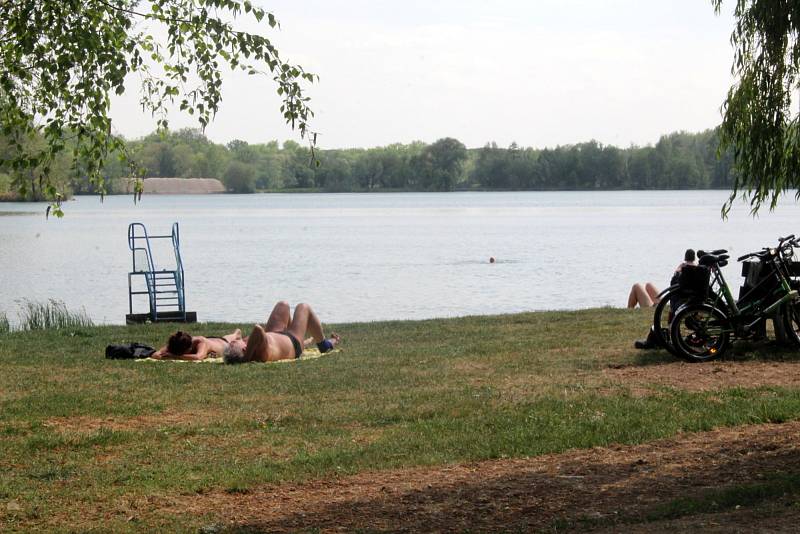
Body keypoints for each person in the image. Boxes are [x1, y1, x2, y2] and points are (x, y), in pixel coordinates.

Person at [224, 301, 340, 363]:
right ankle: (324, 345)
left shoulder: (249, 346)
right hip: (293, 342)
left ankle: (319, 341)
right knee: (303, 307)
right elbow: (258, 329)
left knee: (282, 305)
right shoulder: (258, 353)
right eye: (234, 343)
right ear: (245, 350)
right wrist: (246, 358)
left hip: (275, 334)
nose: (233, 341)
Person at [633, 248, 697, 349]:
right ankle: (631, 308)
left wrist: (679, 269)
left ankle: (630, 308)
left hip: (674, 303)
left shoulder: (682, 268)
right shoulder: (697, 271)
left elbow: (674, 290)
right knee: (648, 285)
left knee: (636, 286)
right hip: (683, 301)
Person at [627, 249, 697, 309]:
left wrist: (677, 271)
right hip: (681, 302)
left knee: (636, 286)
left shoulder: (681, 272)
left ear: (685, 258)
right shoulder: (698, 272)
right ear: (694, 258)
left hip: (672, 306)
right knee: (648, 285)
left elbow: (672, 287)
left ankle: (629, 310)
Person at [151, 329, 243, 361]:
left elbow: (198, 357)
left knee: (231, 337)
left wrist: (174, 356)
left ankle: (237, 333)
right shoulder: (176, 342)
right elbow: (155, 355)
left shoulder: (201, 342)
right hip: (211, 341)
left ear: (190, 347)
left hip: (222, 343)